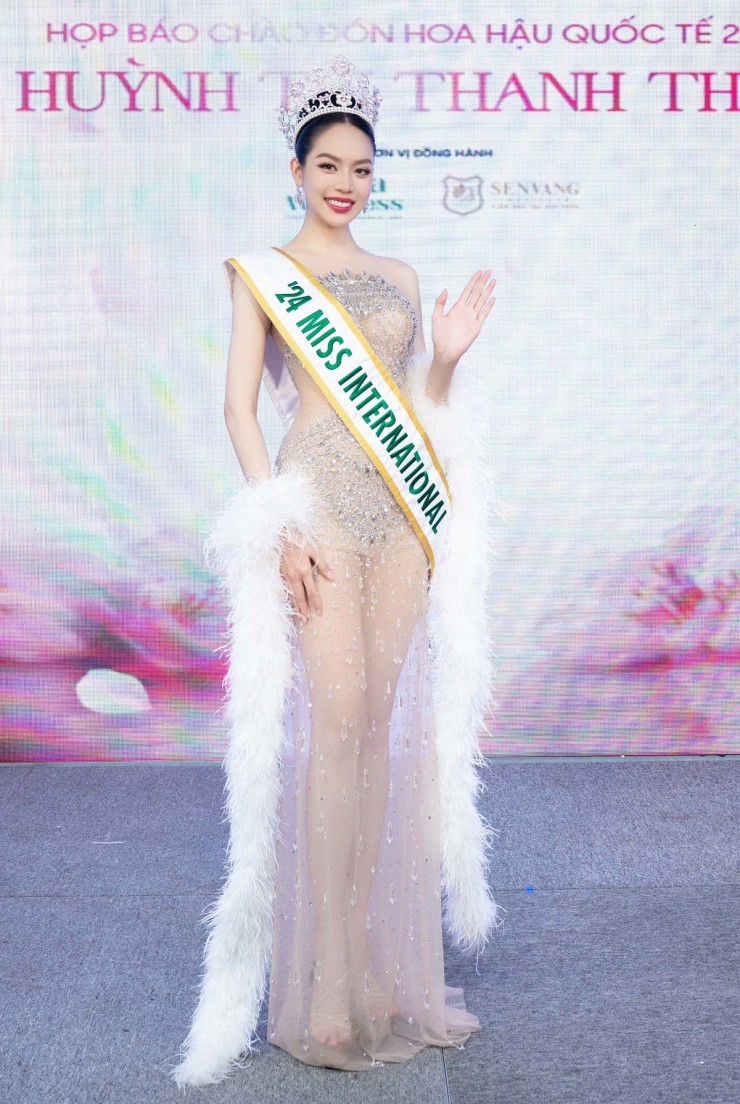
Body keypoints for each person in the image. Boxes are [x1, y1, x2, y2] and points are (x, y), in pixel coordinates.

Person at [172, 54, 505, 1083]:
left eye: (361, 167)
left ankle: (369, 968)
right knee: (334, 737)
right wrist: (276, 522)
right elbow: (238, 408)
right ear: (296, 169)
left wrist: (444, 356)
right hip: (315, 516)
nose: (346, 182)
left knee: (378, 740)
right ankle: (322, 984)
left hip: (398, 526)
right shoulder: (262, 273)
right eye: (328, 165)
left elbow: (418, 413)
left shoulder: (401, 278)